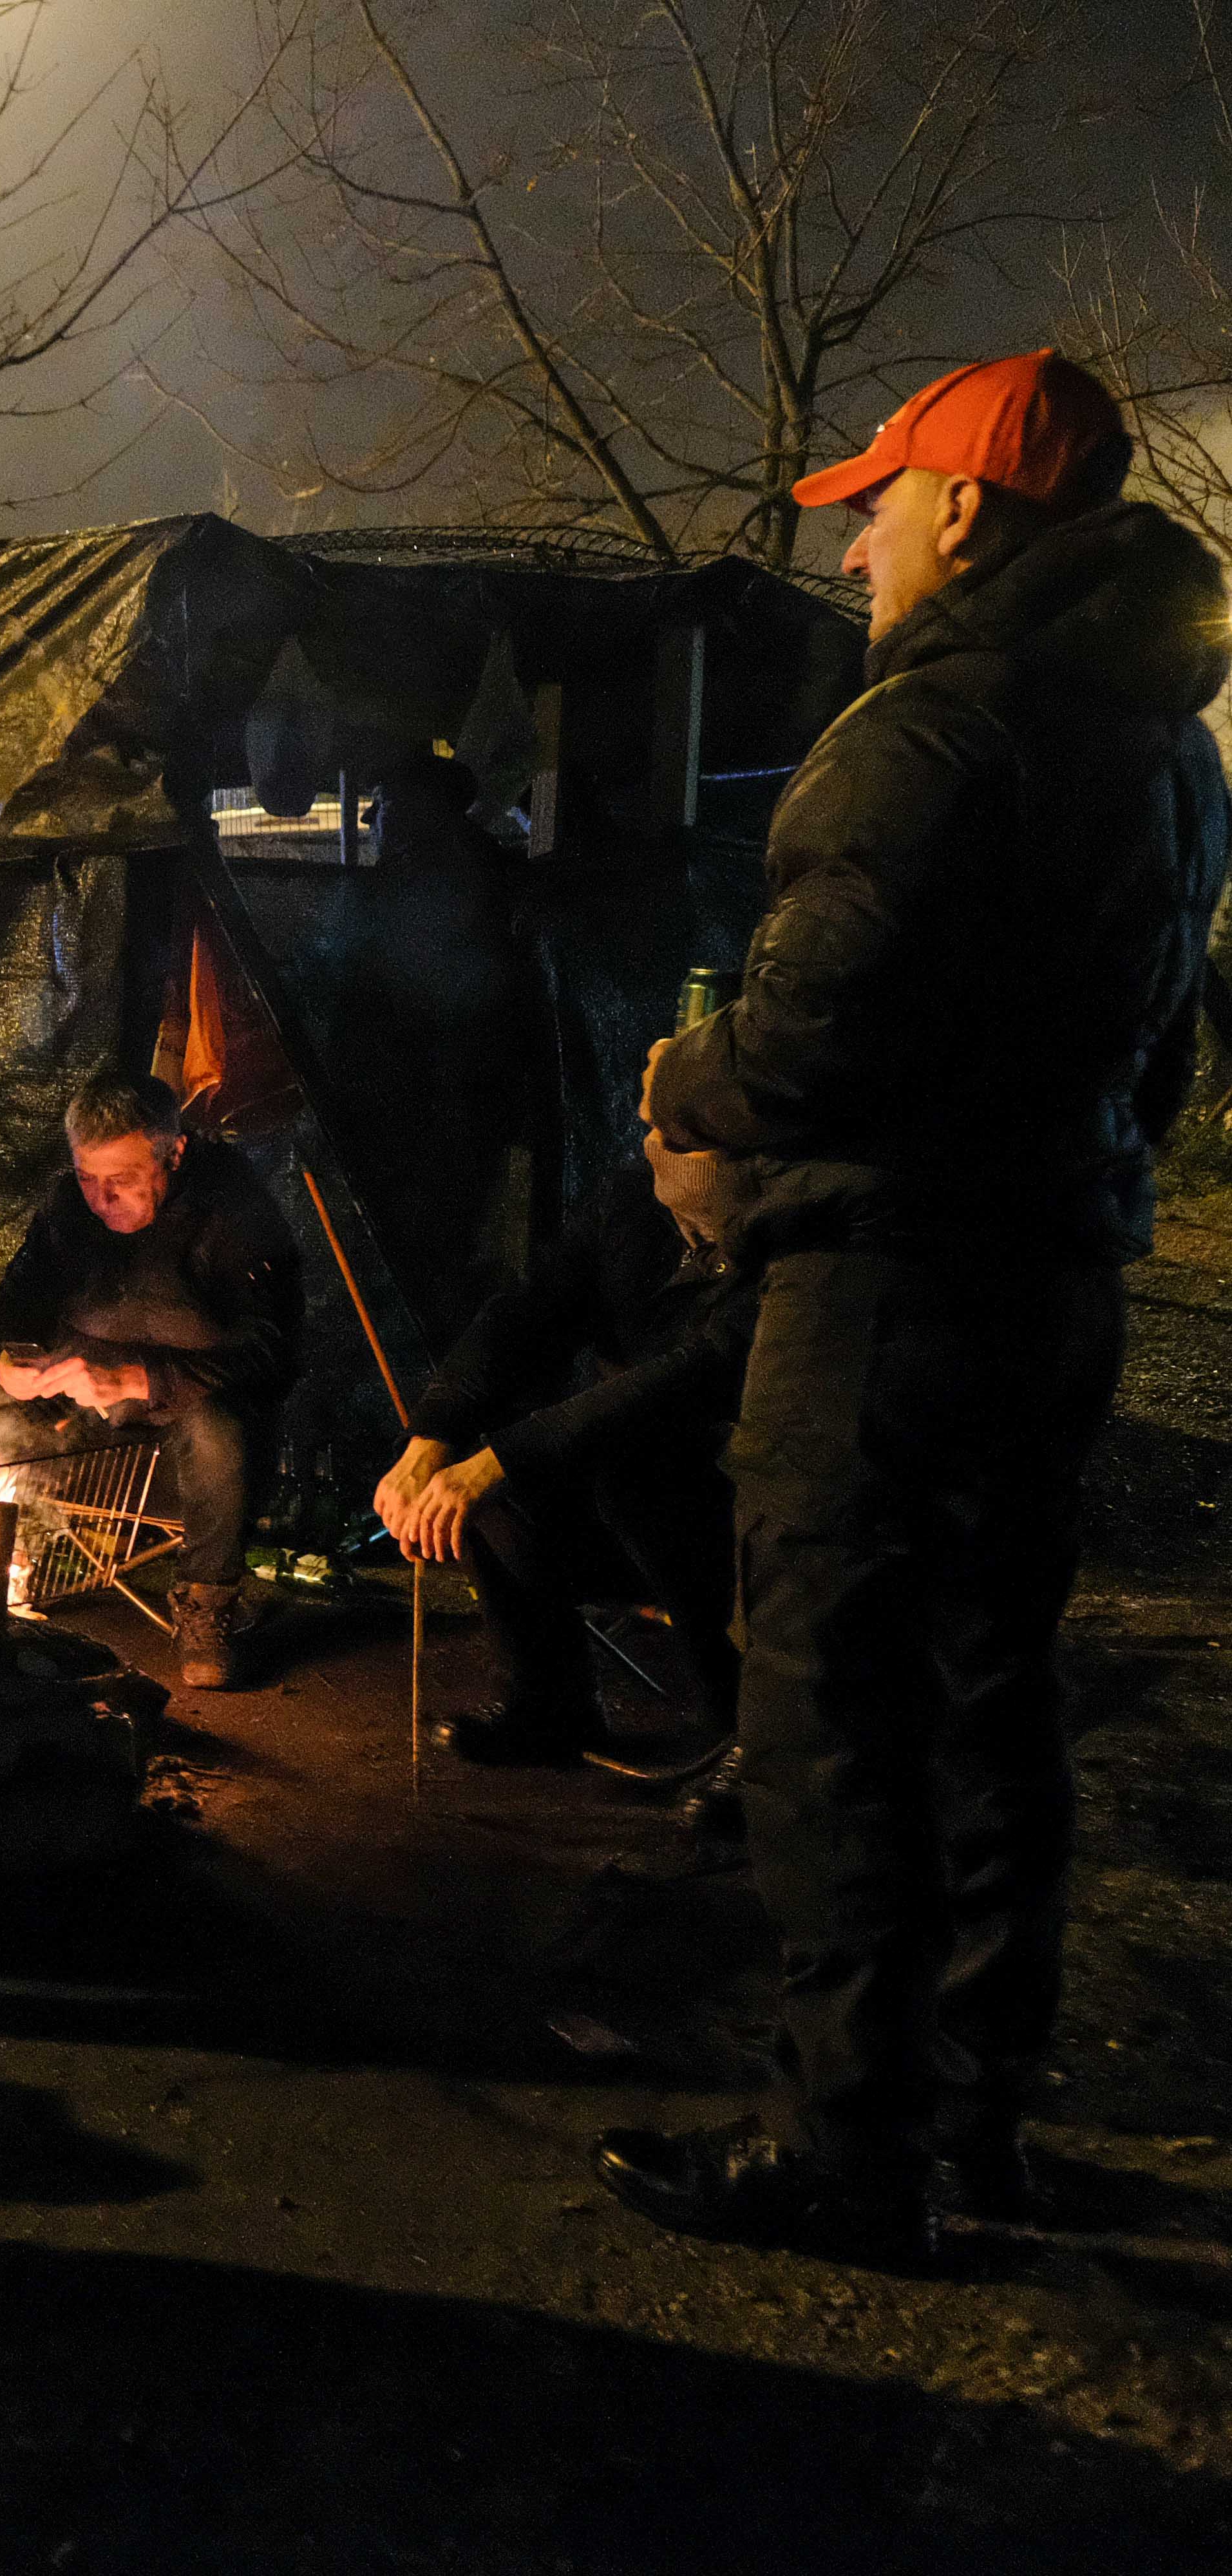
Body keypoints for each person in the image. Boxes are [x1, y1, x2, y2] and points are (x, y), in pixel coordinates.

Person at [598, 350, 1231, 2262]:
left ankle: (839, 2147)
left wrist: (679, 1083)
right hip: (1052, 1284)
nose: (854, 547)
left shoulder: (929, 732)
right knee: (986, 1700)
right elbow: (1162, 1057)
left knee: (833, 1718)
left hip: (879, 1302)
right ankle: (972, 2119)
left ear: (964, 510)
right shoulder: (1172, 755)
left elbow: (805, 1034)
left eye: (876, 507)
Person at [379, 1132, 755, 1776]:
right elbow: (526, 1315)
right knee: (490, 1482)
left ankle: (744, 1735)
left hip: (738, 1507)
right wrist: (431, 1439)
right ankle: (549, 1708)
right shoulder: (633, 1198)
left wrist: (502, 1460)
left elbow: (691, 1373)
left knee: (622, 1467)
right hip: (630, 1501)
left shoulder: (778, 1217)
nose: (653, 1128)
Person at [0, 1069, 303, 1691]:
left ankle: (205, 1606)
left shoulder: (234, 1211)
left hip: (193, 1424)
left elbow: (275, 1353)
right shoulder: (69, 1208)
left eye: (121, 1179)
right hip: (84, 1421)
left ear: (173, 1154)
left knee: (218, 1430)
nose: (101, 1199)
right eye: (87, 1177)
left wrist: (135, 1379)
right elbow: (6, 1309)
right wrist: (4, 1363)